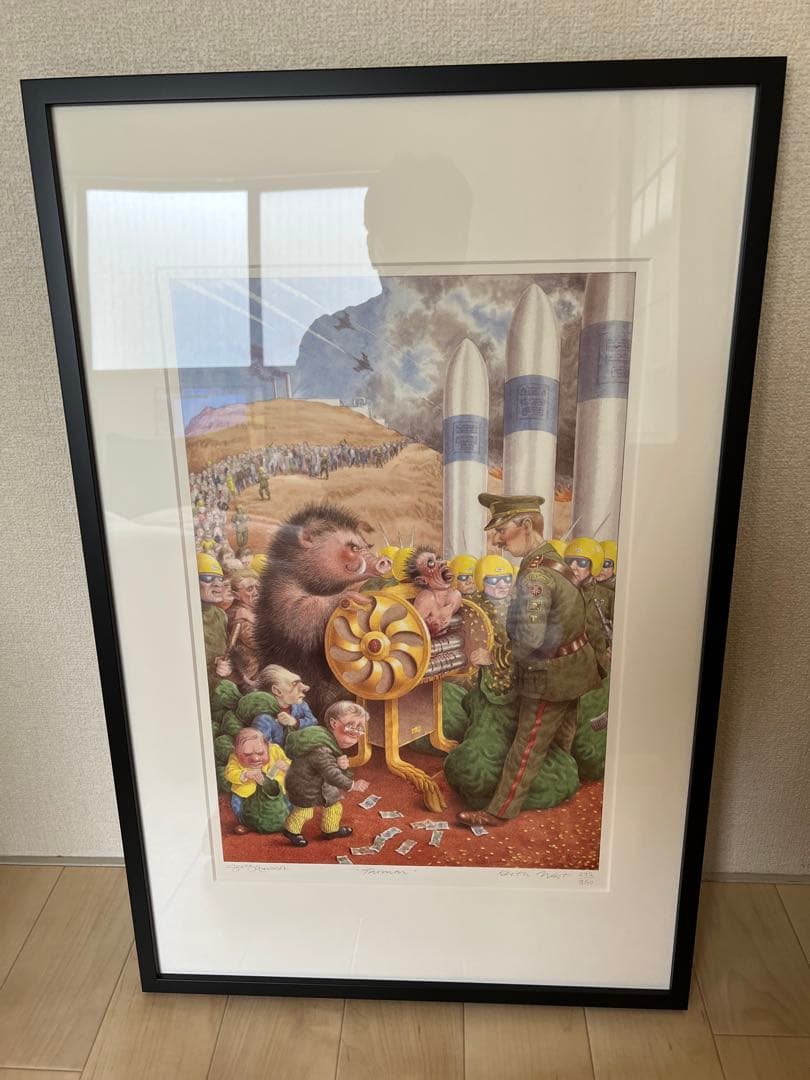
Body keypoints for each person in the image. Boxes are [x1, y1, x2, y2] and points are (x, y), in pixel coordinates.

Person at [457, 494, 601, 829]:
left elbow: (531, 639)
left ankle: (499, 811)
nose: (497, 540)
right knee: (563, 733)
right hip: (575, 668)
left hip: (550, 674)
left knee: (527, 744)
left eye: (501, 530)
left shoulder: (536, 577)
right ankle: (561, 782)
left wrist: (494, 656)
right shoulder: (551, 558)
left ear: (525, 525)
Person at [281, 700, 371, 847]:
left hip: (320, 782)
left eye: (360, 728)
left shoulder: (329, 743)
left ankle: (330, 829)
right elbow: (331, 774)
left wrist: (338, 763)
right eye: (350, 725)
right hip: (304, 785)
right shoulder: (322, 748)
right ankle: (291, 830)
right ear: (334, 724)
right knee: (305, 811)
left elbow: (328, 767)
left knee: (334, 806)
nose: (355, 732)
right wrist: (352, 785)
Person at [224, 728, 290, 835]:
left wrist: (286, 766)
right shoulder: (234, 758)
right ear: (237, 752)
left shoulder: (275, 750)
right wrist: (244, 774)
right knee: (236, 802)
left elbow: (288, 763)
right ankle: (246, 823)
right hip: (247, 795)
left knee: (289, 799)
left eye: (260, 753)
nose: (255, 758)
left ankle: (287, 821)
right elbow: (229, 772)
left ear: (268, 746)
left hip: (276, 793)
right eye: (247, 755)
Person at [565, 537, 611, 673]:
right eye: (569, 561)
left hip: (598, 668)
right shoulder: (559, 593)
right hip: (566, 667)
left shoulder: (606, 595)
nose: (573, 566)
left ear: (594, 565)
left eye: (582, 562)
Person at [251, 665, 319, 748]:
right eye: (294, 683)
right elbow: (262, 748)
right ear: (277, 691)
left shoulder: (300, 705)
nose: (306, 687)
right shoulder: (263, 720)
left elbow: (313, 722)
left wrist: (295, 722)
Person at [198, 553, 232, 691]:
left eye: (220, 578)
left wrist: (226, 666)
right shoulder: (186, 617)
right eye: (208, 578)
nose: (218, 584)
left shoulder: (221, 615)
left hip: (218, 686)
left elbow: (223, 655)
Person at [225, 568, 261, 691]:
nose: (256, 592)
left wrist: (251, 617)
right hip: (248, 678)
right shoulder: (236, 615)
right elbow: (260, 642)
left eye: (258, 587)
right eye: (250, 589)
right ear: (236, 595)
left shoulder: (253, 612)